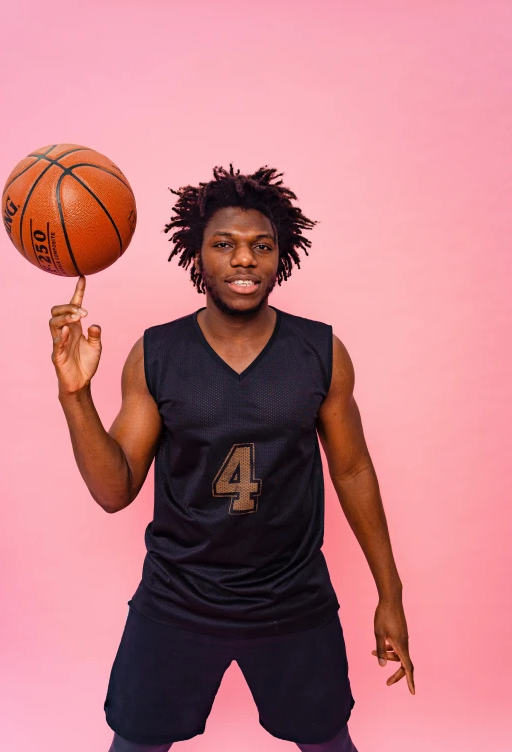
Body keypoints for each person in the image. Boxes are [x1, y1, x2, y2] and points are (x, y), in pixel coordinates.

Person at [50, 164, 415, 752]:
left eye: (260, 246)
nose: (243, 259)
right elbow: (114, 489)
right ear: (197, 256)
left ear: (281, 256)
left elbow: (352, 471)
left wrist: (390, 593)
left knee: (328, 741)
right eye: (224, 244)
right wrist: (75, 395)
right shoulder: (157, 353)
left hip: (291, 595)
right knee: (135, 742)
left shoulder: (321, 352)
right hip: (179, 596)